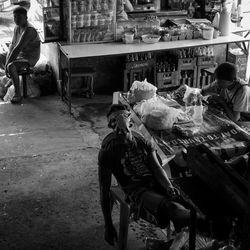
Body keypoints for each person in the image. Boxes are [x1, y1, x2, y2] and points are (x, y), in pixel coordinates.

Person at [98, 104, 206, 246]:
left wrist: (168, 186)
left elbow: (156, 167)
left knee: (186, 200)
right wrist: (108, 225)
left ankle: (172, 243)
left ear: (129, 121)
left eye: (123, 117)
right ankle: (205, 224)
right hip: (137, 190)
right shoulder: (108, 150)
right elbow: (104, 190)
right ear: (111, 125)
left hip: (155, 181)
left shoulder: (142, 141)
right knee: (172, 207)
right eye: (115, 120)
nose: (120, 123)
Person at [0, 6, 40, 104]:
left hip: (29, 58)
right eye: (15, 17)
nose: (16, 20)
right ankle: (11, 78)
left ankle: (18, 94)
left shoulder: (29, 30)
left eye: (19, 17)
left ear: (26, 18)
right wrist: (6, 60)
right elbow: (12, 46)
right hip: (20, 55)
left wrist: (7, 64)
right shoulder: (17, 27)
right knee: (1, 56)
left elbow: (17, 49)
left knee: (11, 66)